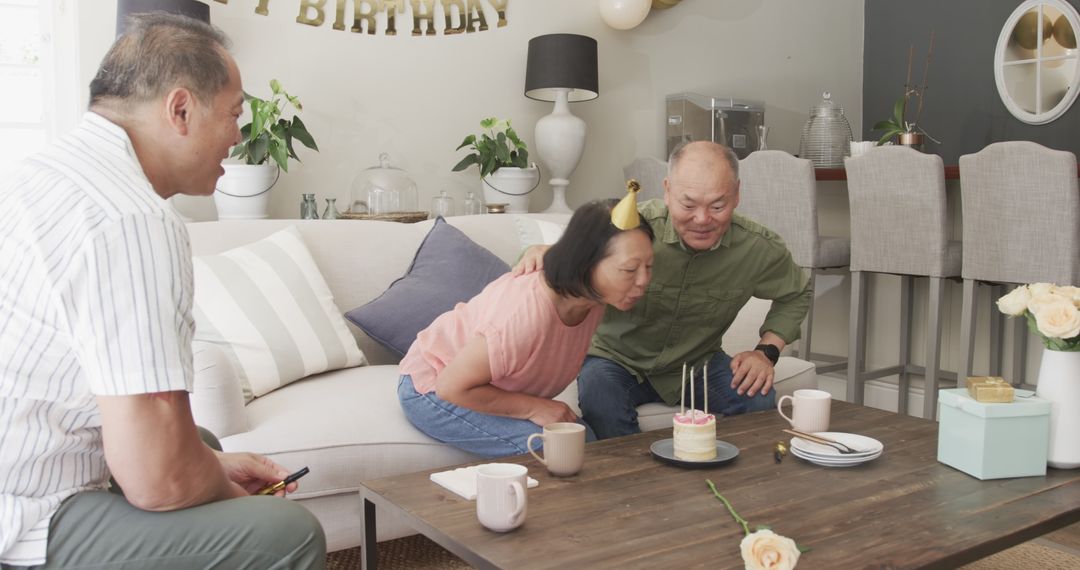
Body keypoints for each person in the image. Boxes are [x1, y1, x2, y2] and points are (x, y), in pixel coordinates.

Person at [0, 14, 325, 569]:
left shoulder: (45, 173)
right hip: (24, 513)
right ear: (180, 110)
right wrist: (233, 497)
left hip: (23, 460)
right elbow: (160, 479)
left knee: (203, 443)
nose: (238, 136)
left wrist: (209, 468)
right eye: (234, 114)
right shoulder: (133, 218)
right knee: (287, 533)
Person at [515, 141, 812, 440]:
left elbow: (796, 293)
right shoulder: (629, 230)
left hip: (697, 363)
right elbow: (562, 262)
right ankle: (633, 471)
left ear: (736, 194)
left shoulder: (758, 248)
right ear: (667, 191)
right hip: (614, 359)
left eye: (717, 206)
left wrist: (766, 353)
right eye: (688, 205)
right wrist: (540, 253)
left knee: (758, 399)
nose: (702, 219)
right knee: (600, 396)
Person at [397, 195, 654, 457]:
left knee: (586, 441)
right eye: (630, 269)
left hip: (483, 385)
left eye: (649, 266)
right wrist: (535, 408)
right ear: (586, 264)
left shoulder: (593, 297)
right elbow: (451, 386)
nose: (644, 280)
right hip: (432, 386)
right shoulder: (523, 316)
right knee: (561, 450)